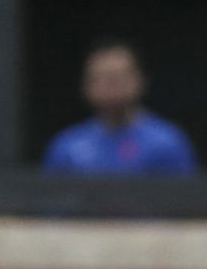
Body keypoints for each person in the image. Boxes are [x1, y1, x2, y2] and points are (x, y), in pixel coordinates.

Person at [43, 40, 198, 176]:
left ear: (139, 80)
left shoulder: (167, 142)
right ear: (86, 85)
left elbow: (186, 203)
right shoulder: (67, 146)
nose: (111, 86)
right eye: (101, 78)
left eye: (117, 78)